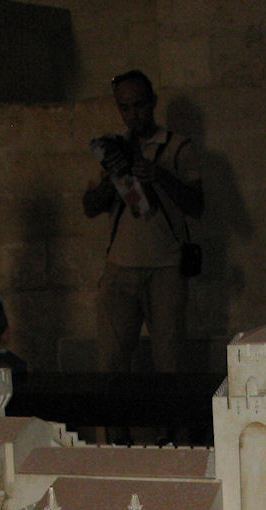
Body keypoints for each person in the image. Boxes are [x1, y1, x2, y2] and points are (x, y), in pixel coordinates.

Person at [82, 69, 204, 375]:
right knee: (111, 363)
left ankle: (170, 411)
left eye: (139, 105)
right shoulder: (112, 149)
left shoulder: (177, 147)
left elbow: (196, 205)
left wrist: (160, 176)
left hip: (166, 268)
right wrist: (112, 181)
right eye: (125, 107)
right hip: (120, 266)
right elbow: (90, 207)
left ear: (152, 103)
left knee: (170, 363)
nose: (133, 115)